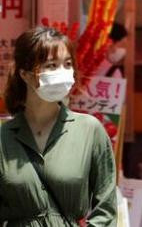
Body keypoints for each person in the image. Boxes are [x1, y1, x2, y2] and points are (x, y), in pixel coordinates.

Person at [0, 27, 117, 225]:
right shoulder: (4, 138)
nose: (62, 73)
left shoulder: (89, 130)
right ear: (25, 74)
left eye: (68, 64)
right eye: (51, 65)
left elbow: (106, 207)